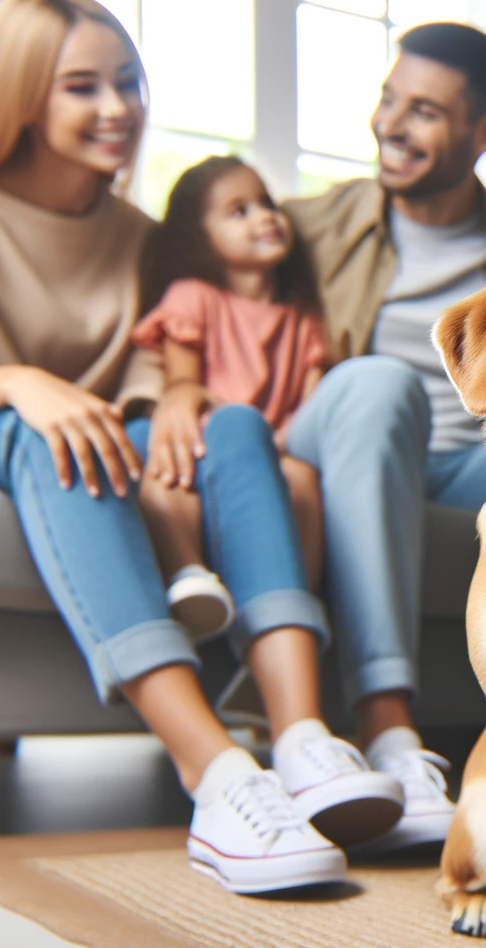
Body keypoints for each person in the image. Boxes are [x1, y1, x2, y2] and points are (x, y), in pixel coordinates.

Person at [0, 0, 400, 894]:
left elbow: (143, 368)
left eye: (128, 83)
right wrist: (21, 382)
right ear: (20, 99)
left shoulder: (136, 236)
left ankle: (300, 740)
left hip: (73, 435)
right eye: (82, 88)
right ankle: (215, 775)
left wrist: (173, 399)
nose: (118, 109)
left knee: (229, 422)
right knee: (47, 429)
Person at [280, 21, 486, 856]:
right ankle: (387, 726)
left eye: (425, 112)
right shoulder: (309, 227)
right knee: (380, 383)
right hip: (352, 445)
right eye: (388, 102)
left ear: (485, 133)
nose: (392, 126)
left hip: (468, 468)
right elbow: (195, 272)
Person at [132, 156, 331, 638]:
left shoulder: (304, 322)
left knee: (302, 480)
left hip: (275, 450)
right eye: (238, 211)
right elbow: (184, 388)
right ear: (201, 237)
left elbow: (311, 410)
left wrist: (278, 445)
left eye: (266, 204)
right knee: (169, 467)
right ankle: (188, 573)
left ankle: (289, 605)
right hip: (207, 437)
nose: (265, 217)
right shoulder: (192, 297)